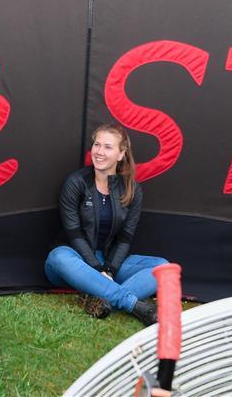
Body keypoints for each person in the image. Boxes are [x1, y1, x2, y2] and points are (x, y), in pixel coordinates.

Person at [45, 123, 167, 326]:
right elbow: (74, 234)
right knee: (57, 257)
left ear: (121, 154)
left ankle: (98, 297)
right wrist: (96, 268)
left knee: (162, 267)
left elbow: (125, 238)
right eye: (97, 145)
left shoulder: (132, 189)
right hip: (73, 258)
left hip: (108, 261)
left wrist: (109, 269)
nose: (99, 152)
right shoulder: (76, 182)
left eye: (108, 147)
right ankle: (132, 303)